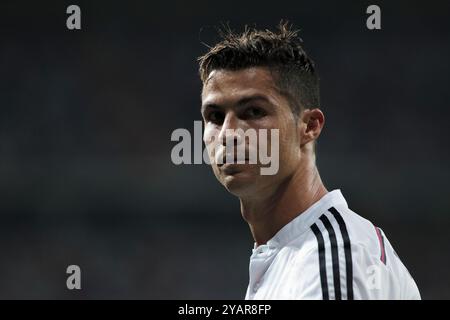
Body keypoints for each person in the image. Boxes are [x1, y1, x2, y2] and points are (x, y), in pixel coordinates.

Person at [197, 21, 420, 299]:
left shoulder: (333, 259)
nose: (229, 133)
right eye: (215, 117)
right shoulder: (289, 254)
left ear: (310, 126)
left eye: (253, 111)